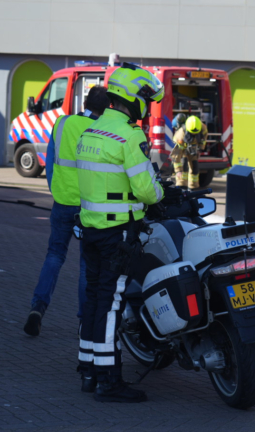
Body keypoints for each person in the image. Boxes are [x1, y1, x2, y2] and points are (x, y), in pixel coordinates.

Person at [74, 64, 164, 403]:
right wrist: (159, 194)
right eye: (145, 100)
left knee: (94, 299)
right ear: (132, 99)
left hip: (90, 230)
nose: (147, 106)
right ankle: (109, 381)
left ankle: (88, 370)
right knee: (110, 305)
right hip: (118, 234)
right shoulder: (130, 135)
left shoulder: (91, 131)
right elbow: (145, 190)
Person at [23, 86, 110, 337]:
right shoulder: (103, 132)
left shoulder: (62, 123)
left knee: (54, 255)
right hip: (90, 207)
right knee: (87, 265)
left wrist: (56, 191)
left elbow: (50, 162)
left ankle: (37, 308)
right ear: (107, 108)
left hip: (62, 202)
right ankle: (84, 322)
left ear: (84, 102)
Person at [171, 115, 208, 189]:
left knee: (195, 167)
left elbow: (204, 139)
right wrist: (178, 170)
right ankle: (181, 186)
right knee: (183, 164)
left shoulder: (203, 128)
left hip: (194, 147)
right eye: (192, 133)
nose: (194, 134)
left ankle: (193, 187)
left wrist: (200, 148)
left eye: (195, 133)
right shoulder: (181, 135)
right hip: (183, 147)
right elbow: (176, 155)